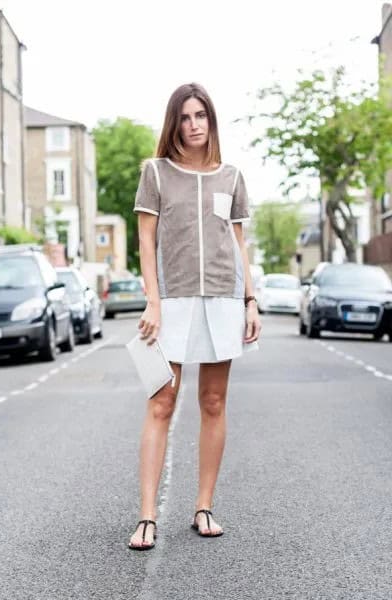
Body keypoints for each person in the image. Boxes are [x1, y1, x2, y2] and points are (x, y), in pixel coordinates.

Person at [128, 82, 262, 550]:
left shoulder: (232, 176)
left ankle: (204, 505)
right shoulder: (157, 174)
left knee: (213, 402)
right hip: (172, 301)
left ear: (211, 119)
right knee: (161, 401)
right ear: (174, 123)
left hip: (223, 299)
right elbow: (146, 240)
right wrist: (153, 299)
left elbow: (239, 243)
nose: (193, 125)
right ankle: (147, 515)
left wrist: (250, 300)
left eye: (200, 115)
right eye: (184, 117)